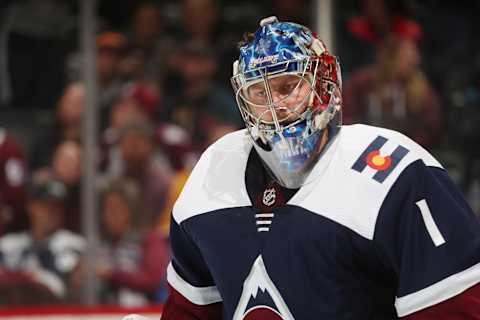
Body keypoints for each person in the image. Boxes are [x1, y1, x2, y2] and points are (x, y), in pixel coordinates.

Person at [160, 16, 480, 319]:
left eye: (288, 87)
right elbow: (190, 310)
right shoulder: (214, 171)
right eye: (259, 92)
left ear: (324, 84)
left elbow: (452, 309)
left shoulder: (397, 173)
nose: (275, 107)